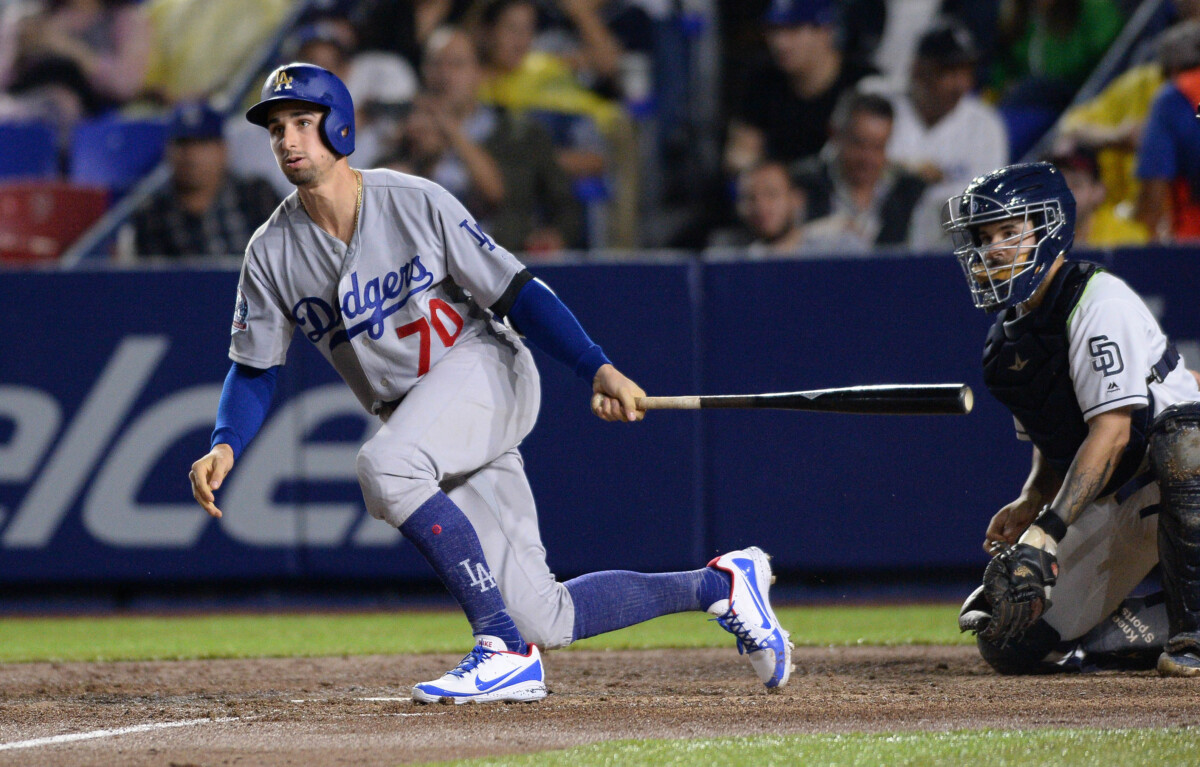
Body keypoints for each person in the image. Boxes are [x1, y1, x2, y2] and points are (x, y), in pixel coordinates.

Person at [186, 63, 793, 703]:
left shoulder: (413, 200)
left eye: (303, 122)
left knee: (387, 469)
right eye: (277, 128)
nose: (288, 139)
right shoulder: (270, 250)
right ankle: (721, 585)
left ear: (339, 126)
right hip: (421, 414)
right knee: (546, 615)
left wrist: (598, 367)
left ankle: (500, 650)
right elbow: (254, 365)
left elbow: (517, 292)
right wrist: (226, 443)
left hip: (484, 368)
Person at [947, 162, 1200, 677]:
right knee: (1012, 636)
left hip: (1178, 466)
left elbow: (1113, 432)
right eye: (984, 236)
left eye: (1010, 232)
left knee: (1184, 446)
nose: (993, 249)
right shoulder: (1005, 345)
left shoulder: (1096, 299)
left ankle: (1192, 636)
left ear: (1048, 230)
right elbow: (1058, 440)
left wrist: (1049, 531)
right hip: (1134, 492)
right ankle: (1127, 636)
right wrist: (1032, 499)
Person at [388, 26, 581, 254]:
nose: (444, 75)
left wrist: (556, 235)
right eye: (435, 64)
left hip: (502, 258)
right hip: (424, 263)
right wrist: (418, 157)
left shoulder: (519, 133)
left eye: (457, 65)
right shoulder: (406, 132)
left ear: (479, 73)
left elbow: (558, 203)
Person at [872, 19, 1008, 250]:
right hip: (876, 235)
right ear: (918, 69)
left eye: (966, 71)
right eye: (948, 71)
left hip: (950, 250)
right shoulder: (878, 99)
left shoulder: (985, 124)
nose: (960, 84)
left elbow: (986, 206)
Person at [724, 0, 876, 175]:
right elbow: (739, 156)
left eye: (793, 29)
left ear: (825, 30)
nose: (780, 43)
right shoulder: (762, 81)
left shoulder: (864, 83)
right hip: (785, 195)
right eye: (774, 29)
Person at [128, 101, 279, 259]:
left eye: (202, 143)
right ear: (168, 151)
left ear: (222, 149)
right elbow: (152, 280)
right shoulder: (152, 214)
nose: (192, 155)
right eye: (183, 143)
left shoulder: (256, 195)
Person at [791, 91, 926, 251]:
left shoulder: (911, 192)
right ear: (835, 135)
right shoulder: (802, 186)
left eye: (878, 147)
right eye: (859, 144)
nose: (867, 158)